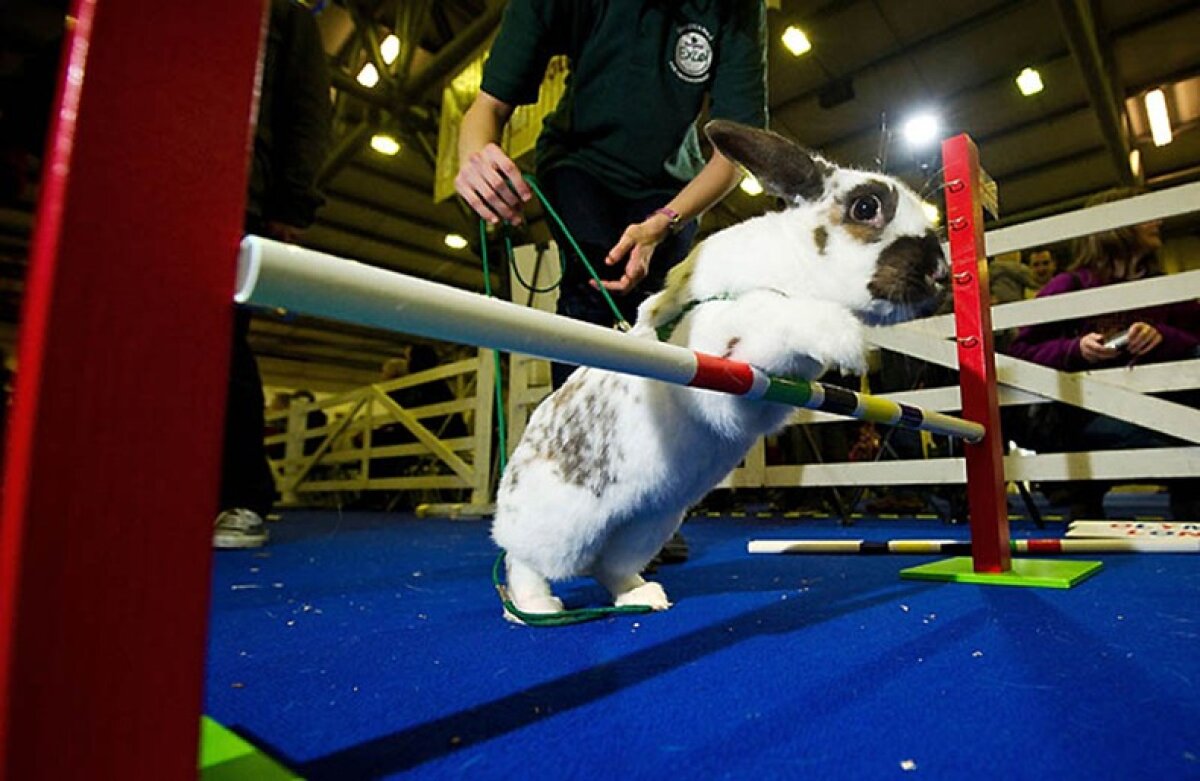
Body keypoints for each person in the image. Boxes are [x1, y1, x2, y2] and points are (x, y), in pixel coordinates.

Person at [454, 0, 769, 389]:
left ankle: (652, 412)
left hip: (670, 186)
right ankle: (574, 422)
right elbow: (488, 106)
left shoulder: (737, 9)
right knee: (593, 279)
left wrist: (664, 221)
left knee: (654, 304)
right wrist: (474, 155)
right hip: (579, 162)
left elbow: (737, 154)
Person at [1005, 187, 1200, 520]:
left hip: (1159, 407)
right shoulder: (1070, 284)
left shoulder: (1166, 287)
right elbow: (1019, 351)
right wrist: (1074, 349)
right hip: (1087, 414)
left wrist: (1163, 336)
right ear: (1117, 224)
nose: (1159, 220)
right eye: (1147, 213)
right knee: (1181, 444)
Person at [214, 0, 331, 549]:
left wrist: (291, 202)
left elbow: (307, 109)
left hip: (235, 188)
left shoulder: (285, 13)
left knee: (222, 337)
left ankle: (241, 493)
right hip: (149, 174)